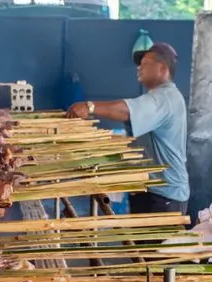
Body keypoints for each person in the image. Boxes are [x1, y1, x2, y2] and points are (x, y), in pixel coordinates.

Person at [65, 42, 189, 214]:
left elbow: (127, 110)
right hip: (149, 189)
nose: (139, 68)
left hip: (164, 194)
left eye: (145, 64)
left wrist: (90, 107)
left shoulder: (165, 97)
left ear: (162, 68)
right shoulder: (158, 97)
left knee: (155, 242)